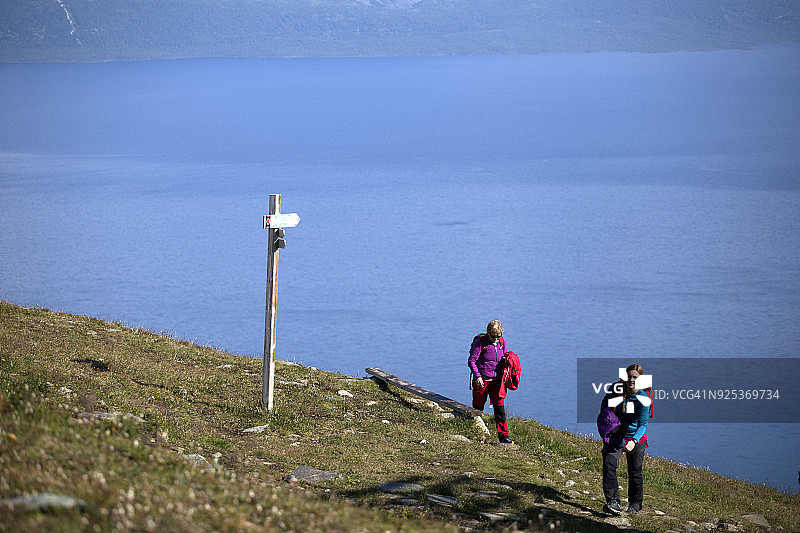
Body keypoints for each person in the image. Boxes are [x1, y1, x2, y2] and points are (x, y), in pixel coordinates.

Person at [601, 363, 650, 515]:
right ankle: (613, 502)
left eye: (635, 377)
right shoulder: (616, 390)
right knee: (609, 462)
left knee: (635, 471)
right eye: (629, 376)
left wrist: (633, 441)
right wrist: (608, 423)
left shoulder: (643, 398)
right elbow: (604, 406)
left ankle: (635, 503)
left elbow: (643, 424)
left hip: (637, 437)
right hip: (618, 434)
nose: (632, 380)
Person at [468, 320, 513, 444]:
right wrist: (477, 376)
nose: (496, 339)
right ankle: (477, 433)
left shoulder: (502, 342)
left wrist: (507, 360)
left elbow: (504, 356)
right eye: (493, 336)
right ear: (488, 333)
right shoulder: (480, 343)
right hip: (481, 381)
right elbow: (472, 361)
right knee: (477, 408)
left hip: (497, 382)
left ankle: (504, 436)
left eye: (498, 336)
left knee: (500, 409)